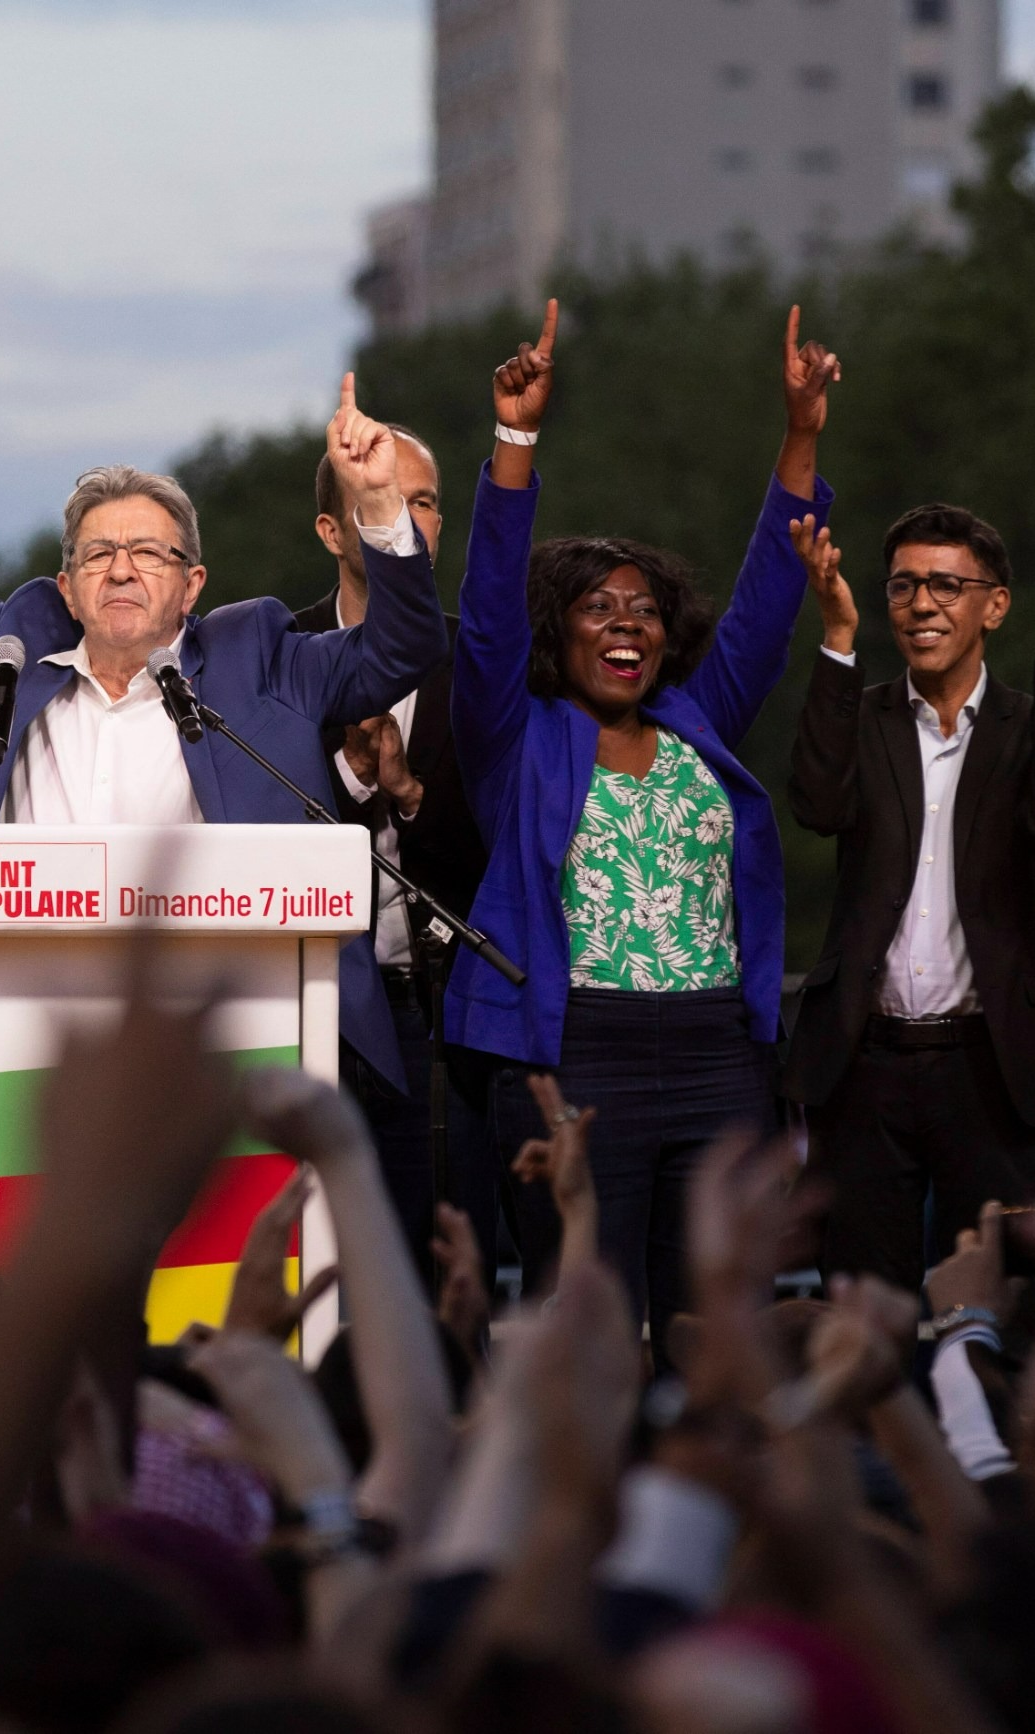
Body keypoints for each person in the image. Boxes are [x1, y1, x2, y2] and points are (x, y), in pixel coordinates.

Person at [0, 293, 446, 1092]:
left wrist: (379, 505)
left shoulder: (263, 658)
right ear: (66, 588)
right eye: (98, 554)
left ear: (191, 584)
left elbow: (404, 645)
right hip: (15, 1030)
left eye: (148, 553)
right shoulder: (5, 654)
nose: (123, 569)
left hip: (230, 1027)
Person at [445, 300, 840, 1333]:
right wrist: (516, 440)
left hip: (717, 1055)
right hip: (576, 1055)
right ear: (557, 633)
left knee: (720, 1325)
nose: (628, 625)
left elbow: (763, 605)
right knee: (587, 1319)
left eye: (646, 612)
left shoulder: (698, 723)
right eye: (598, 609)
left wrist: (800, 437)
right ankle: (584, 1496)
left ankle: (707, 1498)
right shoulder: (515, 737)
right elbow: (485, 612)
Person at [782, 505, 1035, 1292]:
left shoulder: (1030, 724)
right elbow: (816, 807)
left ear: (994, 605)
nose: (920, 604)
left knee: (1003, 1301)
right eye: (903, 586)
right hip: (864, 1062)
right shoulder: (860, 714)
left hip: (990, 1064)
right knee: (861, 1308)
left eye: (945, 585)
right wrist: (836, 638)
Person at [289, 431, 495, 1270]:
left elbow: (502, 839)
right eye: (377, 505)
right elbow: (259, 828)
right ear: (332, 532)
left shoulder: (476, 657)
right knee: (319, 1264)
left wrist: (408, 794)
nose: (405, 522)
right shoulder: (278, 656)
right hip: (314, 1011)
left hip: (445, 1019)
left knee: (448, 1273)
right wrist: (349, 773)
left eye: (422, 502)